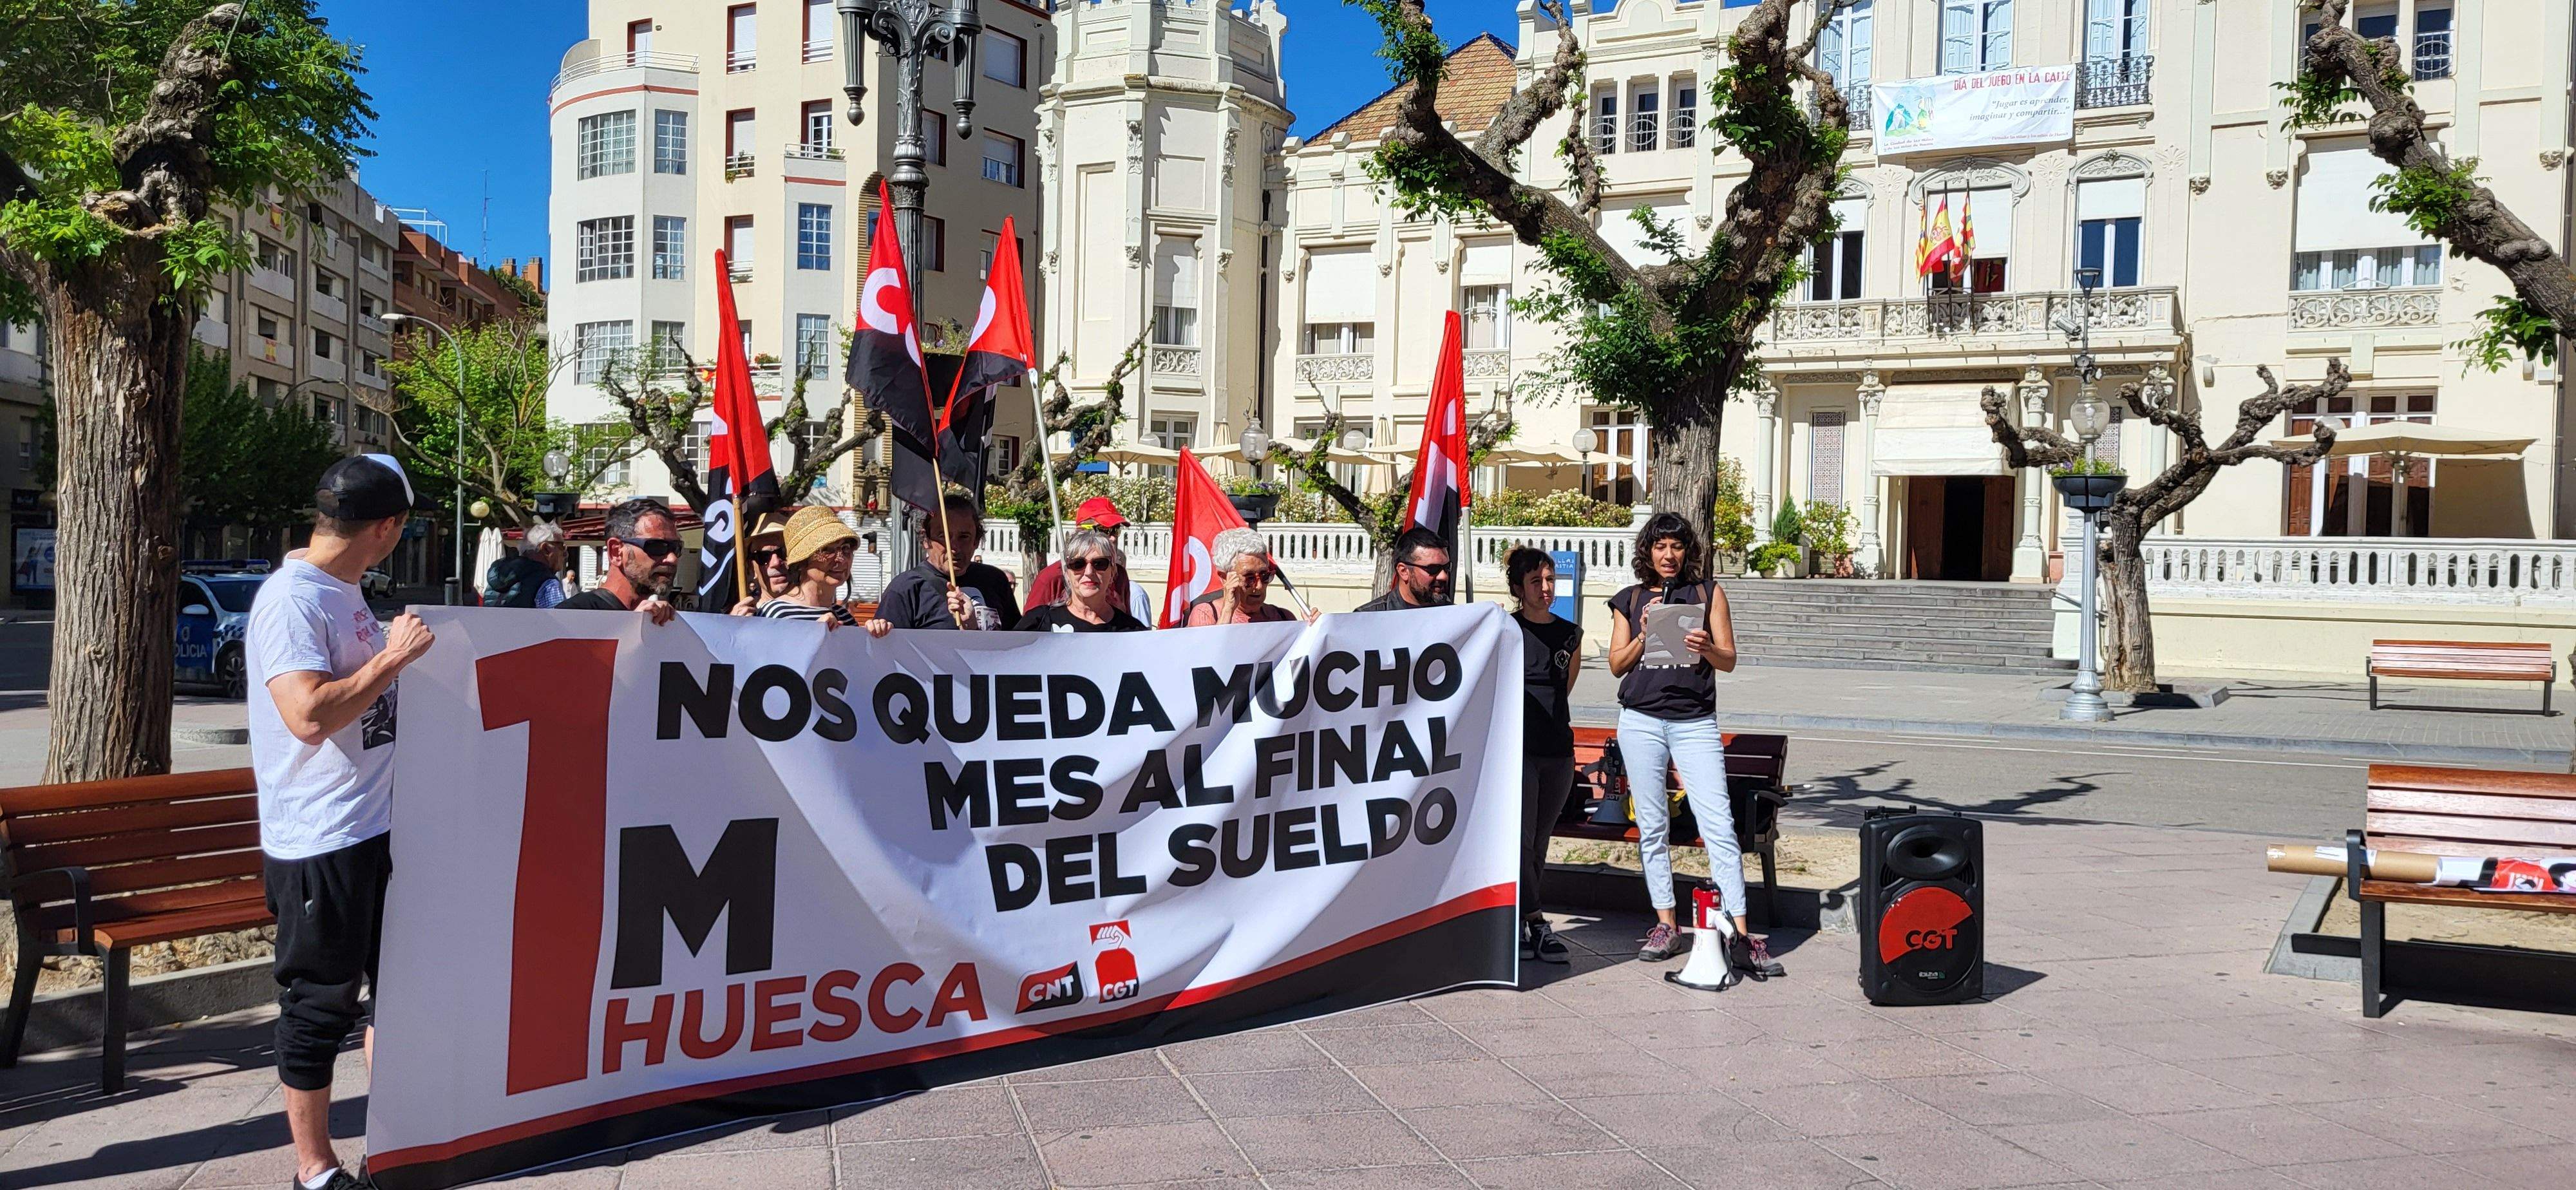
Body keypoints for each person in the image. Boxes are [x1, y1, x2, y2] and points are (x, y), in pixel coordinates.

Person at [245, 455, 437, 1190]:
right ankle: (315, 1170)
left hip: (377, 827)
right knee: (318, 1006)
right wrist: (391, 660)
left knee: (402, 988)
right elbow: (307, 714)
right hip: (322, 838)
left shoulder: (341, 587)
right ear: (386, 529)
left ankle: (394, 1143)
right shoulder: (292, 599)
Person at [1604, 511, 1779, 979]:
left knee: (1718, 824)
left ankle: (1741, 933)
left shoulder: (1707, 593)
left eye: (1676, 547)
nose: (1668, 555)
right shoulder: (1631, 598)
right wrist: (1644, 632)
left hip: (1694, 723)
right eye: (1660, 547)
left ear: (1687, 552)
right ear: (1648, 552)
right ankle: (1666, 923)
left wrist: (1706, 648)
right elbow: (1617, 666)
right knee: (1653, 827)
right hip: (1640, 721)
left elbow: (1730, 660)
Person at [1508, 546, 1580, 965]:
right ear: (1519, 588)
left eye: (1550, 580)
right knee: (1521, 841)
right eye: (1536, 581)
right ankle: (1536, 920)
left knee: (1539, 841)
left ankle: (1521, 920)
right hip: (1520, 750)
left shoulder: (1571, 634)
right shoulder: (1507, 629)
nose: (1546, 588)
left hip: (1558, 750)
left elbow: (1562, 691)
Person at [877, 494, 1021, 630]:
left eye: (964, 537)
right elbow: (888, 649)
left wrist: (973, 627)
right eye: (943, 536)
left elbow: (1017, 645)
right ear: (926, 540)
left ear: (976, 541)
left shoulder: (995, 581)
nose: (955, 547)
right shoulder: (905, 589)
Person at [759, 506, 895, 636]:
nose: (841, 559)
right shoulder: (777, 613)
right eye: (827, 550)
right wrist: (812, 636)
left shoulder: (845, 616)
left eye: (846, 549)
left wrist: (876, 637)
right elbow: (770, 658)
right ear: (801, 562)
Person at [553, 497, 679, 625]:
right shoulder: (571, 616)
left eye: (676, 548)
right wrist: (630, 627)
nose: (673, 559)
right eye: (657, 547)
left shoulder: (662, 621)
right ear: (616, 552)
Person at [1025, 496, 1153, 616]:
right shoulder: (1052, 578)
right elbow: (1029, 633)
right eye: (1105, 530)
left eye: (1116, 530)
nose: (1113, 538)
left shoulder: (1119, 574)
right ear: (1082, 531)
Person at [1016, 528, 1150, 632]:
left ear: (1113, 573)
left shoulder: (1132, 632)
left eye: (1100, 564)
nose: (1089, 572)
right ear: (1067, 573)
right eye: (1078, 564)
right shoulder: (1040, 622)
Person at [1181, 527, 1318, 626]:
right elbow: (1207, 658)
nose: (1258, 586)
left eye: (1265, 576)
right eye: (1249, 578)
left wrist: (1315, 630)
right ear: (1224, 578)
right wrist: (1228, 611)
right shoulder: (1207, 615)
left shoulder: (1283, 618)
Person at [1354, 527, 1454, 612]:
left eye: (1446, 568)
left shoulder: (1456, 618)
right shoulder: (1366, 619)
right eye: (1433, 569)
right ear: (1403, 571)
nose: (1444, 576)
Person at [728, 509, 794, 616]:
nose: (775, 562)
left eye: (783, 552)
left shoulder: (818, 610)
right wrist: (734, 627)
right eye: (763, 556)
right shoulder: (742, 616)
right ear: (750, 567)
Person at [483, 522, 559, 609]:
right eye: (561, 547)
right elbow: (559, 620)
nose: (565, 553)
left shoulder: (497, 575)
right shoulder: (547, 582)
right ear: (546, 549)